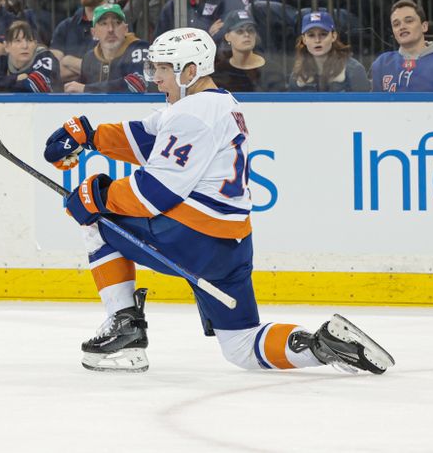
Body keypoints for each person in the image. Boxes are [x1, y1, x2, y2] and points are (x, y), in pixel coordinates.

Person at [41, 26, 396, 374]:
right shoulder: (217, 104)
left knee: (98, 224)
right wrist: (90, 136)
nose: (156, 78)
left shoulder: (191, 113)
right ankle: (321, 345)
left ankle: (125, 330)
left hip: (194, 239)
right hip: (232, 246)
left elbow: (153, 194)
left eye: (163, 69)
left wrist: (96, 198)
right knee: (241, 346)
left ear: (191, 71)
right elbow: (149, 139)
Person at [50, 0, 117, 82]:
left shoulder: (118, 27)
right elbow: (52, 73)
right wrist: (91, 69)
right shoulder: (65, 27)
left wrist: (68, 60)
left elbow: (112, 73)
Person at [64, 4, 147, 93]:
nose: (110, 29)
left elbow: (138, 84)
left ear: (125, 29)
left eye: (117, 23)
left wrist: (86, 89)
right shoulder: (89, 58)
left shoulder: (139, 48)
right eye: (104, 24)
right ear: (94, 32)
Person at [0, 20, 62, 92]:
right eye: (18, 41)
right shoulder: (1, 62)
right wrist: (14, 79)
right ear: (7, 46)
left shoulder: (46, 58)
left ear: (35, 44)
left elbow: (36, 85)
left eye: (29, 40)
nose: (25, 46)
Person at [288, 10, 371, 92]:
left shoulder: (353, 70)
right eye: (311, 35)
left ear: (333, 36)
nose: (317, 40)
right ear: (304, 40)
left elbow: (366, 103)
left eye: (323, 34)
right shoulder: (297, 75)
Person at [212, 9, 286, 92]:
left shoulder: (272, 69)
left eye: (250, 30)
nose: (246, 34)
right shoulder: (219, 71)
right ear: (227, 37)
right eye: (240, 31)